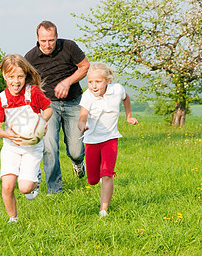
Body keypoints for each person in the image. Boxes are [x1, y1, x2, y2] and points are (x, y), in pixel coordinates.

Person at [24, 20, 90, 195]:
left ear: (57, 37)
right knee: (49, 148)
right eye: (43, 41)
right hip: (48, 106)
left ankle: (77, 163)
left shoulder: (69, 47)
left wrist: (67, 82)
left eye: (51, 40)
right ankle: (55, 190)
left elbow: (85, 66)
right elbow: (26, 85)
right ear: (37, 38)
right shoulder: (30, 58)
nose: (47, 45)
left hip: (74, 102)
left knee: (76, 151)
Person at [0, 54, 53, 223]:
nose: (16, 81)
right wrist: (5, 133)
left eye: (20, 76)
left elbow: (48, 109)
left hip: (32, 147)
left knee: (25, 189)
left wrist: (43, 122)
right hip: (11, 147)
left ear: (25, 76)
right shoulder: (1, 99)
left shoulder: (33, 93)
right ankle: (13, 219)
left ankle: (36, 178)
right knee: (7, 186)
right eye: (11, 77)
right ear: (4, 76)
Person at [78, 63, 138, 217]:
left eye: (98, 82)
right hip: (91, 141)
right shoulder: (87, 96)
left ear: (107, 81)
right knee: (92, 180)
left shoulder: (117, 90)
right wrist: (82, 124)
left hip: (110, 139)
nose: (93, 85)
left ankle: (103, 210)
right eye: (90, 82)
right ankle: (90, 169)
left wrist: (129, 116)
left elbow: (126, 98)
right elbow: (83, 115)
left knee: (106, 174)